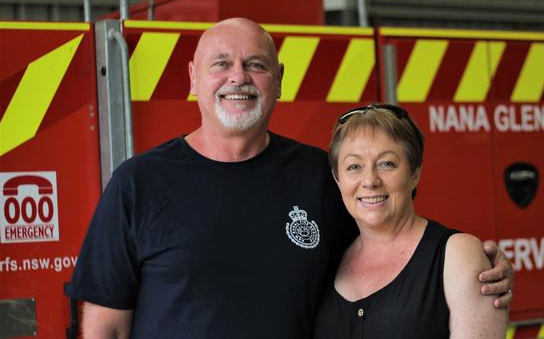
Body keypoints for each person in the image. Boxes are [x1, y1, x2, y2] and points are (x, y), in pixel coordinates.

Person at [68, 18, 513, 339]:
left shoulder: (319, 177)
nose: (238, 76)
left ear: (279, 80)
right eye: (221, 64)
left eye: (256, 65)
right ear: (193, 79)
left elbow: (389, 250)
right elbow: (103, 325)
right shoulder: (138, 184)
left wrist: (472, 268)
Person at [313, 104, 507, 338]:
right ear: (337, 178)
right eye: (354, 167)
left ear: (414, 172)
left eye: (386, 164)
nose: (370, 180)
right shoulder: (325, 257)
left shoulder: (458, 254)